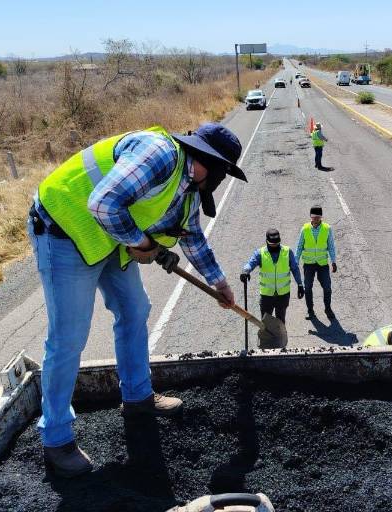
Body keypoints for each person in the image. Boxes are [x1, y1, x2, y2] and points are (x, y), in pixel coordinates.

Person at [29, 122, 246, 477]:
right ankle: (56, 440)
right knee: (68, 337)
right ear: (208, 160)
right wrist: (144, 244)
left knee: (134, 309)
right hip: (63, 228)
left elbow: (190, 235)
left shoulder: (190, 186)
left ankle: (137, 398)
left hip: (108, 239)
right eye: (222, 171)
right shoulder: (159, 155)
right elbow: (102, 204)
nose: (221, 181)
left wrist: (218, 282)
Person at [240, 229, 303, 324]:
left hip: (283, 295)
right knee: (265, 323)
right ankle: (266, 339)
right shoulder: (260, 253)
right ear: (266, 242)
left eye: (277, 244)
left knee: (280, 322)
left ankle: (280, 339)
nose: (275, 246)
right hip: (266, 296)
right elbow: (250, 263)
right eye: (272, 244)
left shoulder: (287, 252)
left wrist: (300, 285)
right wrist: (245, 271)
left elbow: (295, 269)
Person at [296, 206, 337, 321]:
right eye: (313, 217)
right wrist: (295, 262)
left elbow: (331, 246)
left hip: (322, 263)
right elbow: (299, 246)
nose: (315, 220)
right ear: (310, 216)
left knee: (327, 287)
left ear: (321, 217)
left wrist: (333, 261)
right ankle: (310, 311)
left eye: (318, 217)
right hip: (309, 264)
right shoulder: (305, 229)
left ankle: (327, 308)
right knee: (308, 287)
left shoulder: (327, 228)